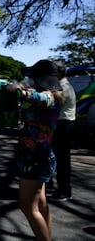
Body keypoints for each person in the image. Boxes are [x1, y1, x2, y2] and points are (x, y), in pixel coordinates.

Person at [6, 59, 64, 241]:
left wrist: (16, 88)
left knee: (27, 206)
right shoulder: (52, 94)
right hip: (39, 157)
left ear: (40, 78)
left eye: (32, 77)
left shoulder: (48, 96)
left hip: (36, 159)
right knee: (41, 204)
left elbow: (35, 97)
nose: (29, 79)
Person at [49, 61, 76, 201]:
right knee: (59, 157)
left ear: (58, 73)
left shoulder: (63, 87)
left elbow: (52, 101)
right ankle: (57, 186)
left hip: (63, 124)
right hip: (65, 124)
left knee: (61, 160)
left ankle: (64, 190)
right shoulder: (65, 85)